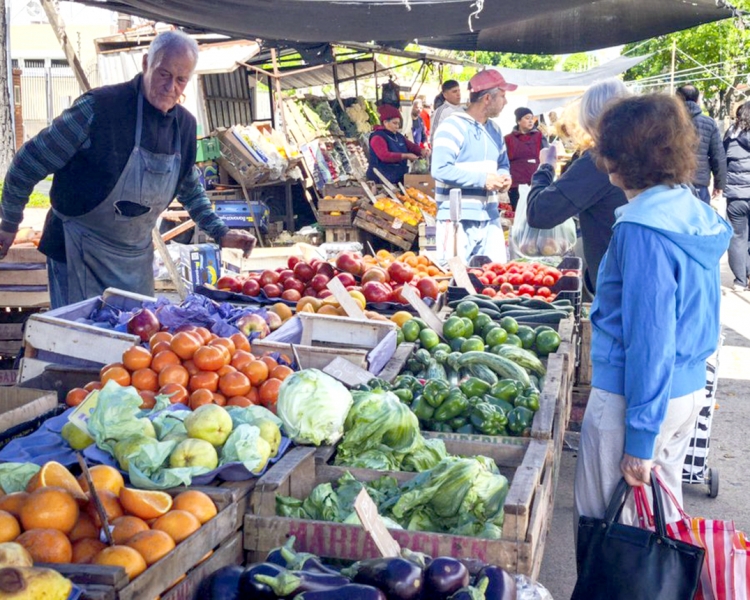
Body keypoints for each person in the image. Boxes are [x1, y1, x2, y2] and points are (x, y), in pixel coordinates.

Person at [0, 30, 255, 308]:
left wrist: (220, 231)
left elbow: (189, 188)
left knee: (139, 333)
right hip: (77, 252)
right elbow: (28, 162)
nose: (170, 87)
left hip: (135, 261)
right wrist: (9, 223)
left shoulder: (183, 127)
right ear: (146, 63)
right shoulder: (98, 109)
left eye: (181, 79)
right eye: (163, 74)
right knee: (81, 334)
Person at [574, 94, 731, 527]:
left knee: (610, 536)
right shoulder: (691, 210)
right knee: (658, 530)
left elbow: (650, 339)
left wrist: (640, 440)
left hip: (634, 399)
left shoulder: (643, 229)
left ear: (619, 157)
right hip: (683, 393)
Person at [526, 79, 630, 294]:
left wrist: (546, 167)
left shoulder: (602, 159)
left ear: (589, 117)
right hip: (648, 272)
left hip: (617, 282)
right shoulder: (649, 150)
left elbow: (540, 213)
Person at [431, 69, 516, 265]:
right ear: (487, 98)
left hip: (490, 217)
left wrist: (504, 177)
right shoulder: (451, 126)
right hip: (456, 219)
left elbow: (503, 164)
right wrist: (483, 180)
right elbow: (440, 169)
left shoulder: (495, 130)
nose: (505, 102)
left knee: (494, 276)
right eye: (502, 96)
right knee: (455, 276)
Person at [676, 84, 726, 204]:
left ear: (677, 99)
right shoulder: (709, 123)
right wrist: (719, 184)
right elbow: (718, 156)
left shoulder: (667, 122)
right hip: (699, 182)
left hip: (673, 182)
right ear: (698, 100)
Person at [723, 100, 750, 291]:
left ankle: (740, 280)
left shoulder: (730, 136)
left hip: (736, 196)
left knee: (737, 237)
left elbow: (721, 160)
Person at [366, 104, 428, 185]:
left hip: (398, 177)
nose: (397, 126)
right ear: (385, 122)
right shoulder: (377, 137)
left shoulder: (398, 136)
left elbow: (411, 146)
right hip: (381, 179)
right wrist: (406, 156)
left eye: (398, 124)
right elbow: (384, 156)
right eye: (394, 123)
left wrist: (421, 151)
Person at [504, 107, 548, 210]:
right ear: (519, 121)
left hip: (535, 183)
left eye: (532, 118)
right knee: (517, 212)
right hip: (515, 184)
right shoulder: (508, 139)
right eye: (527, 118)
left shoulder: (539, 137)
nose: (530, 121)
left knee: (534, 212)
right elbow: (503, 161)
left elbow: (546, 157)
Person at [430, 80, 462, 147]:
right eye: (454, 91)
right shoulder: (441, 112)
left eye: (459, 91)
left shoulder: (463, 110)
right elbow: (435, 137)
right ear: (445, 95)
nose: (458, 94)